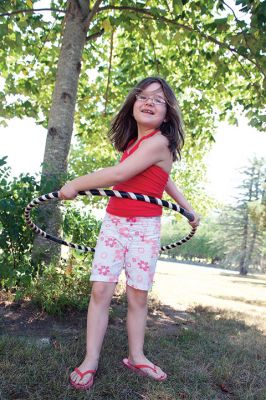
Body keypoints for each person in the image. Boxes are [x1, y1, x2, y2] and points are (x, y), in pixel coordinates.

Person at [59, 76, 200, 390]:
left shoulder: (160, 142)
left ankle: (137, 356)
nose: (149, 102)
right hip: (114, 224)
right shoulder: (134, 144)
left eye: (158, 100)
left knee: (137, 294)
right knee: (100, 291)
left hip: (144, 229)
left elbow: (120, 175)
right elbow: (162, 180)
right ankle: (90, 359)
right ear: (133, 104)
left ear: (167, 113)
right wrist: (188, 208)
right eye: (143, 96)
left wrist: (76, 184)